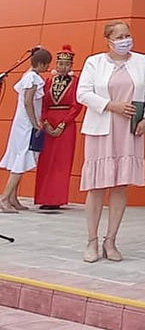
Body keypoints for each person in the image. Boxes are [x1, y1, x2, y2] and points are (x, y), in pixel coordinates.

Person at [77, 21, 145, 263]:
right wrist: (111, 105)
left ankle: (110, 240)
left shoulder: (142, 61)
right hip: (102, 127)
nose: (126, 40)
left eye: (128, 35)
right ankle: (91, 241)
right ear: (109, 40)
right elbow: (83, 93)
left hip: (129, 130)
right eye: (120, 36)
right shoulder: (95, 62)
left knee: (120, 185)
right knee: (96, 186)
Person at [0, 48, 52, 213]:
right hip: (26, 124)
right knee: (21, 159)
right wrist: (34, 122)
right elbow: (29, 101)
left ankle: (13, 198)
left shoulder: (28, 75)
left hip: (20, 123)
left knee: (18, 158)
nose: (47, 67)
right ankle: (4, 198)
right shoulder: (34, 79)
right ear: (40, 63)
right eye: (46, 64)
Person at [35, 45, 83, 210]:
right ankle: (44, 197)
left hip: (66, 125)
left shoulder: (76, 82)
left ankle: (56, 199)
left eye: (66, 64)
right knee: (46, 161)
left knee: (62, 162)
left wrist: (63, 124)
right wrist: (46, 122)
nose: (63, 67)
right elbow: (42, 103)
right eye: (60, 64)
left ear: (71, 65)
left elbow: (77, 105)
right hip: (50, 122)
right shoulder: (48, 81)